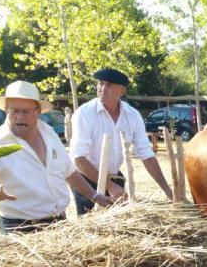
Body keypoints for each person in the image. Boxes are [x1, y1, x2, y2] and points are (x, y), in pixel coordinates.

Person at [0, 81, 111, 233]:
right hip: (19, 228)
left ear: (38, 111)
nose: (19, 117)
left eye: (26, 112)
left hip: (59, 223)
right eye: (14, 111)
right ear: (6, 110)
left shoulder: (49, 134)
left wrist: (95, 196)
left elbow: (69, 172)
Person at [69, 68, 173, 214]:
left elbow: (146, 153)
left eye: (109, 85)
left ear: (122, 91)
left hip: (114, 177)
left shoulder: (132, 115)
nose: (102, 88)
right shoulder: (84, 113)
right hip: (86, 180)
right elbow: (77, 158)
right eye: (100, 83)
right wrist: (110, 187)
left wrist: (167, 190)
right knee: (93, 229)